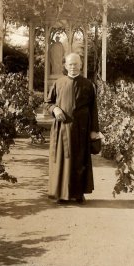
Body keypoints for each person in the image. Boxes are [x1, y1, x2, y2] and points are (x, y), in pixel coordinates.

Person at [45, 53, 99, 203]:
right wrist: (55, 110)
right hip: (62, 128)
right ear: (65, 66)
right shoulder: (58, 83)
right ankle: (61, 194)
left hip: (82, 129)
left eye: (76, 64)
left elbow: (94, 109)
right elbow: (48, 103)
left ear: (81, 65)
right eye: (70, 64)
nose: (73, 67)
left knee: (80, 161)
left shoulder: (89, 85)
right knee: (63, 160)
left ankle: (78, 193)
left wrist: (94, 130)